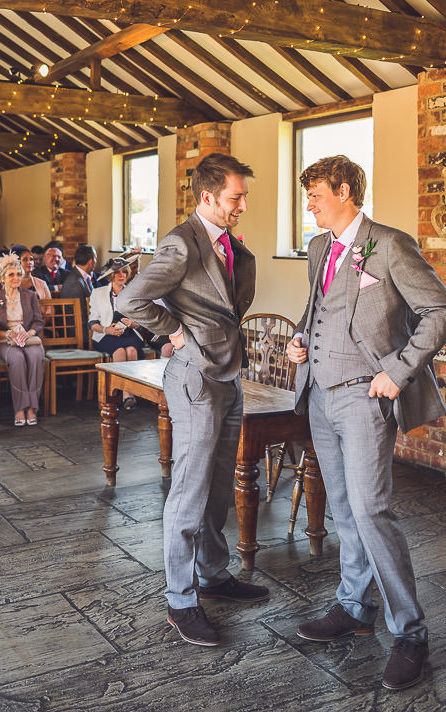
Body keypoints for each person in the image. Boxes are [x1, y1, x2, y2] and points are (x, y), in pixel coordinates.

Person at [284, 155, 446, 691]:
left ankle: (410, 634)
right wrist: (299, 338)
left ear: (344, 192)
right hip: (319, 396)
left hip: (365, 398)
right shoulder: (319, 247)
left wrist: (398, 372)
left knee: (372, 511)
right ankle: (354, 607)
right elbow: (319, 309)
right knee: (342, 508)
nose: (309, 205)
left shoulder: (390, 244)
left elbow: (442, 312)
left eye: (315, 195)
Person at [117, 153, 264, 647]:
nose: (242, 205)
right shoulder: (182, 242)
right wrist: (176, 332)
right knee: (189, 490)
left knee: (219, 485)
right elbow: (129, 300)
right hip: (195, 377)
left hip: (228, 374)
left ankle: (213, 574)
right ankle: (180, 601)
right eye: (235, 197)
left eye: (243, 196)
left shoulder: (227, 242)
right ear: (207, 197)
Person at [0, 254, 47, 427]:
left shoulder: (29, 295)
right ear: (2, 278)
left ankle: (32, 408)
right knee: (17, 358)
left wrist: (29, 333)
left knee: (36, 356)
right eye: (11, 275)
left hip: (28, 339)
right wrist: (8, 334)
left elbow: (38, 321)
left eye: (18, 274)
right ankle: (20, 408)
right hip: (4, 340)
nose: (16, 278)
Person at [87, 266, 144, 409]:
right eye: (117, 272)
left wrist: (132, 323)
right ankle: (123, 394)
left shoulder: (133, 293)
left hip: (129, 333)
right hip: (105, 334)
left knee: (131, 350)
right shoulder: (98, 292)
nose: (121, 275)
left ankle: (127, 394)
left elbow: (141, 323)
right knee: (119, 351)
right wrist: (107, 330)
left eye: (124, 272)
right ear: (111, 275)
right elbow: (92, 323)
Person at [18, 249, 53, 320]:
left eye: (31, 259)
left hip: (40, 322)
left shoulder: (42, 283)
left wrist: (41, 323)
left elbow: (49, 307)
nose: (29, 262)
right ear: (18, 262)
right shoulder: (12, 283)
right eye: (25, 259)